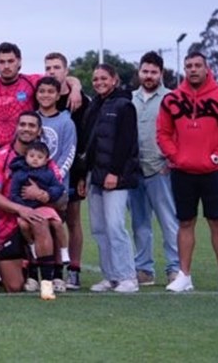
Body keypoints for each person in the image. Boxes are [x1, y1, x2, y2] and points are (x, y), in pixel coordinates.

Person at [158, 51, 218, 293]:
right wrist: (176, 156)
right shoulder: (172, 99)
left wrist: (216, 155)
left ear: (207, 68)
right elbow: (163, 133)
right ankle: (184, 275)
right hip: (182, 171)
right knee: (185, 222)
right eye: (189, 66)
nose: (193, 69)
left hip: (214, 171)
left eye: (197, 65)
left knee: (217, 222)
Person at [0, 112, 60, 297]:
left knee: (39, 219)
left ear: (39, 131)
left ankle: (47, 285)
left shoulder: (45, 160)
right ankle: (29, 268)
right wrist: (21, 209)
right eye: (23, 124)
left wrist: (43, 195)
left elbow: (62, 196)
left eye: (32, 125)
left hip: (35, 219)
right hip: (7, 225)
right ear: (16, 128)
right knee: (14, 287)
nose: (26, 129)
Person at [84, 64, 140, 294]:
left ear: (114, 79)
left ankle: (128, 277)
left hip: (115, 177)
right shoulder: (95, 105)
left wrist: (114, 172)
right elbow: (89, 144)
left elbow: (126, 143)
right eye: (95, 79)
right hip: (94, 177)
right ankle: (111, 277)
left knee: (115, 226)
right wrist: (83, 175)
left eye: (104, 78)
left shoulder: (124, 105)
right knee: (99, 228)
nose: (99, 82)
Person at [129, 51, 179, 286]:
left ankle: (175, 268)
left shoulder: (172, 98)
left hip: (161, 170)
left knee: (169, 221)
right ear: (139, 72)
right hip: (135, 171)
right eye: (145, 71)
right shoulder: (130, 99)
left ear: (161, 73)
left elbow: (181, 134)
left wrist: (171, 161)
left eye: (153, 72)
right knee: (140, 224)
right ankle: (144, 270)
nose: (148, 76)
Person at [0, 43, 82, 156]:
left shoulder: (31, 81)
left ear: (19, 61)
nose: (6, 66)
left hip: (23, 150)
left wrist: (76, 88)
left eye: (11, 61)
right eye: (2, 62)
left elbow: (61, 79)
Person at [44, 51, 90, 290]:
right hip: (43, 174)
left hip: (72, 170)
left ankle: (74, 269)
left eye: (56, 67)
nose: (52, 72)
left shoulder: (80, 100)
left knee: (72, 219)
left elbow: (87, 140)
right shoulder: (41, 96)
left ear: (66, 70)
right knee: (48, 220)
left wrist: (82, 173)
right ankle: (47, 268)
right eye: (48, 68)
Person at [9, 141, 67, 299]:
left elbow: (60, 189)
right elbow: (13, 194)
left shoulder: (49, 172)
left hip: (43, 208)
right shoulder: (19, 172)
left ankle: (52, 275)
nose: (35, 159)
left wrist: (44, 194)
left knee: (53, 223)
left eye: (39, 157)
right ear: (25, 156)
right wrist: (23, 208)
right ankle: (34, 267)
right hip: (23, 210)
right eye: (32, 156)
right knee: (24, 225)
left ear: (46, 159)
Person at [34, 76, 76, 290]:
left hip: (57, 186)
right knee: (35, 227)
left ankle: (58, 275)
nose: (46, 95)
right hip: (33, 187)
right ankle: (35, 274)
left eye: (51, 91)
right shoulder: (32, 119)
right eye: (42, 91)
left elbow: (69, 153)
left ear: (58, 94)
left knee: (55, 227)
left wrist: (53, 179)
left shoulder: (65, 122)